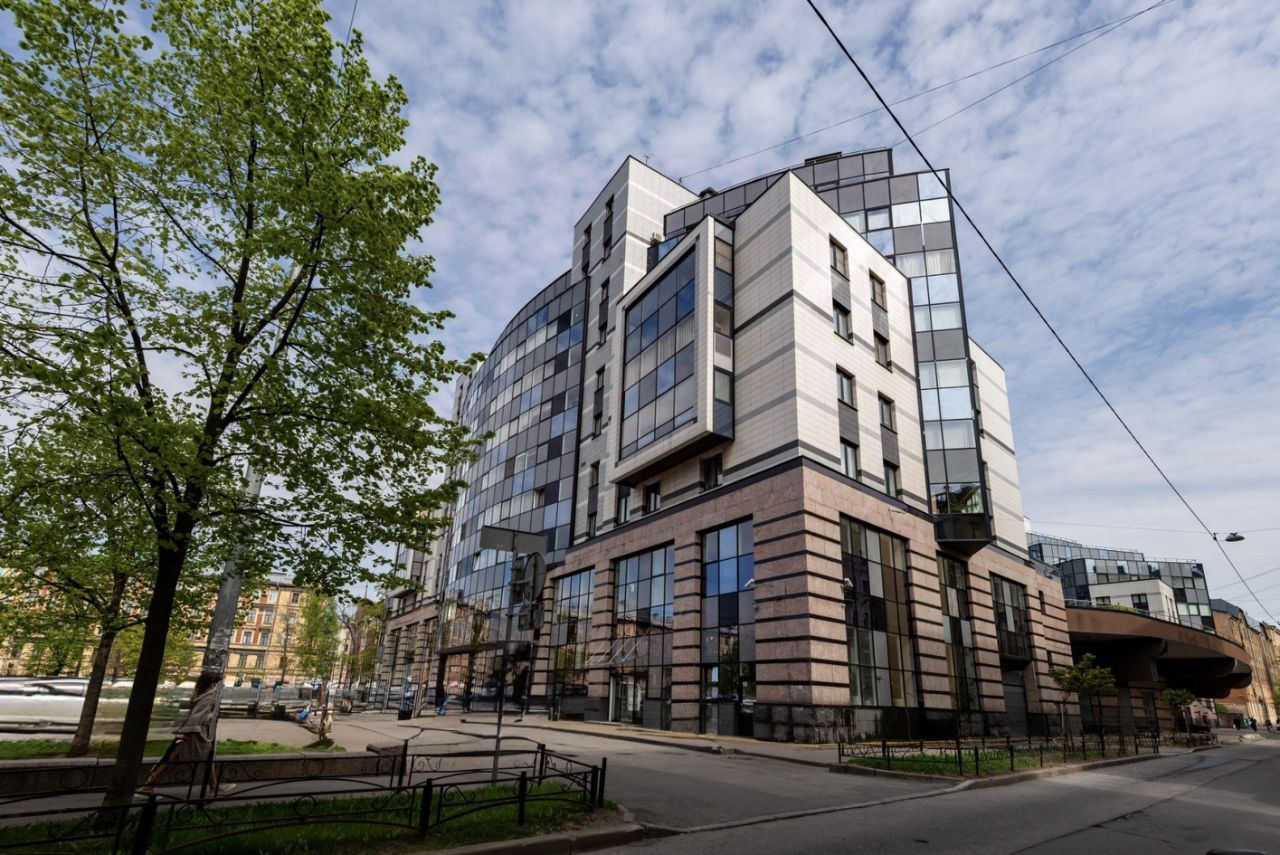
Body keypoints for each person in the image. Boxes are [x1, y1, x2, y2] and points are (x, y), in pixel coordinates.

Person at [140, 670, 228, 796]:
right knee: (173, 758)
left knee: (206, 758)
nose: (215, 685)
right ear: (210, 683)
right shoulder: (209, 697)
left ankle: (214, 786)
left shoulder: (199, 693)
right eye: (214, 682)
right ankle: (147, 786)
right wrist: (186, 733)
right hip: (195, 735)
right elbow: (196, 717)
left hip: (195, 733)